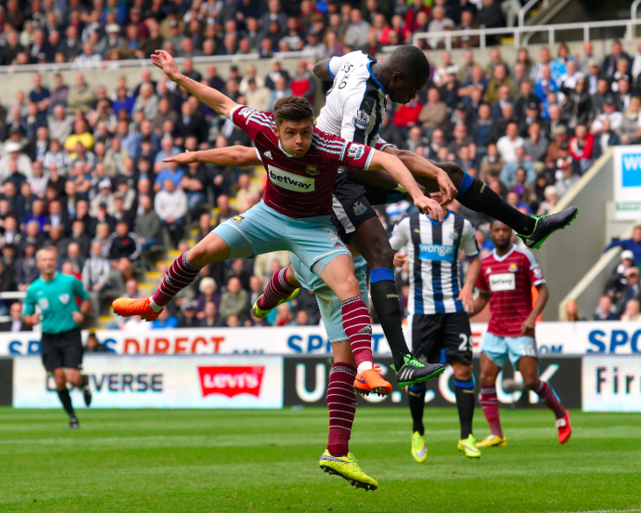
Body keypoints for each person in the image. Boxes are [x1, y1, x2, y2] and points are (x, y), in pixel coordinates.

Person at [114, 50, 444, 394]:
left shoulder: (329, 146)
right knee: (199, 252)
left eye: (306, 131)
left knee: (348, 285)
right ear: (276, 129)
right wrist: (179, 78)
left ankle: (365, 367)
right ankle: (152, 306)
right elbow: (222, 105)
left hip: (313, 228)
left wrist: (416, 195)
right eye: (292, 133)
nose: (300, 141)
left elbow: (384, 160)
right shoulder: (260, 126)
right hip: (267, 216)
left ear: (313, 126)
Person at [308, 45, 578, 382]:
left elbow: (321, 67)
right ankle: (402, 359)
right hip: (334, 177)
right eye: (414, 88)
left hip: (361, 157)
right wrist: (410, 189)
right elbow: (353, 164)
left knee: (446, 171)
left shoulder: (357, 61)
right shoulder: (363, 99)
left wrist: (329, 96)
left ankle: (528, 226)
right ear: (396, 77)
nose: (414, 97)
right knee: (380, 252)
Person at [389, 194, 482, 462]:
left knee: (463, 368)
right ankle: (418, 432)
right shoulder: (409, 224)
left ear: (448, 194)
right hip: (422, 312)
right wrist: (392, 257)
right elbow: (385, 250)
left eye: (440, 191)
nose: (436, 196)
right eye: (430, 191)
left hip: (454, 309)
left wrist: (468, 286)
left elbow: (474, 258)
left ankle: (467, 437)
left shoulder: (462, 225)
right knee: (418, 375)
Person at [471, 221, 572, 447]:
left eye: (505, 229)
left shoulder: (524, 257)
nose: (500, 234)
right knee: (486, 378)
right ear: (491, 233)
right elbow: (483, 298)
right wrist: (465, 314)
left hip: (521, 328)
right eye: (496, 230)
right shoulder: (485, 263)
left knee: (530, 381)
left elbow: (543, 290)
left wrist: (532, 317)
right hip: (495, 329)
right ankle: (496, 434)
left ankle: (560, 414)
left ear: (511, 232)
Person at [21, 248, 92, 429]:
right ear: (38, 263)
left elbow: (85, 298)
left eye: (51, 259)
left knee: (72, 377)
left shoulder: (69, 281)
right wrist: (31, 319)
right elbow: (26, 313)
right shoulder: (34, 288)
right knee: (59, 378)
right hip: (49, 338)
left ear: (56, 262)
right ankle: (72, 417)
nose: (48, 263)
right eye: (44, 260)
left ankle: (83, 383)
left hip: (70, 334)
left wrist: (82, 313)